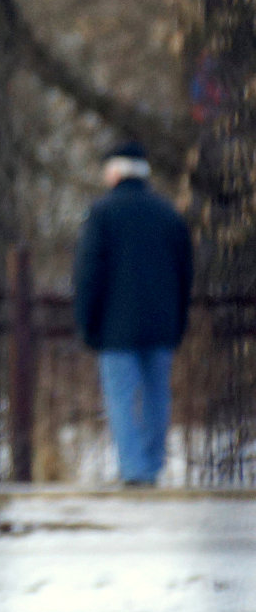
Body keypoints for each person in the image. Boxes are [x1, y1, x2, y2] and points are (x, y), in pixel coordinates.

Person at [74, 141, 193, 487]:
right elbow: (185, 273)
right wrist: (179, 321)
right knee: (158, 395)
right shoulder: (169, 214)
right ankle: (153, 466)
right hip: (162, 325)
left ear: (113, 172)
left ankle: (134, 470)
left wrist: (87, 322)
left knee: (122, 398)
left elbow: (88, 273)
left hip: (115, 328)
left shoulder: (102, 214)